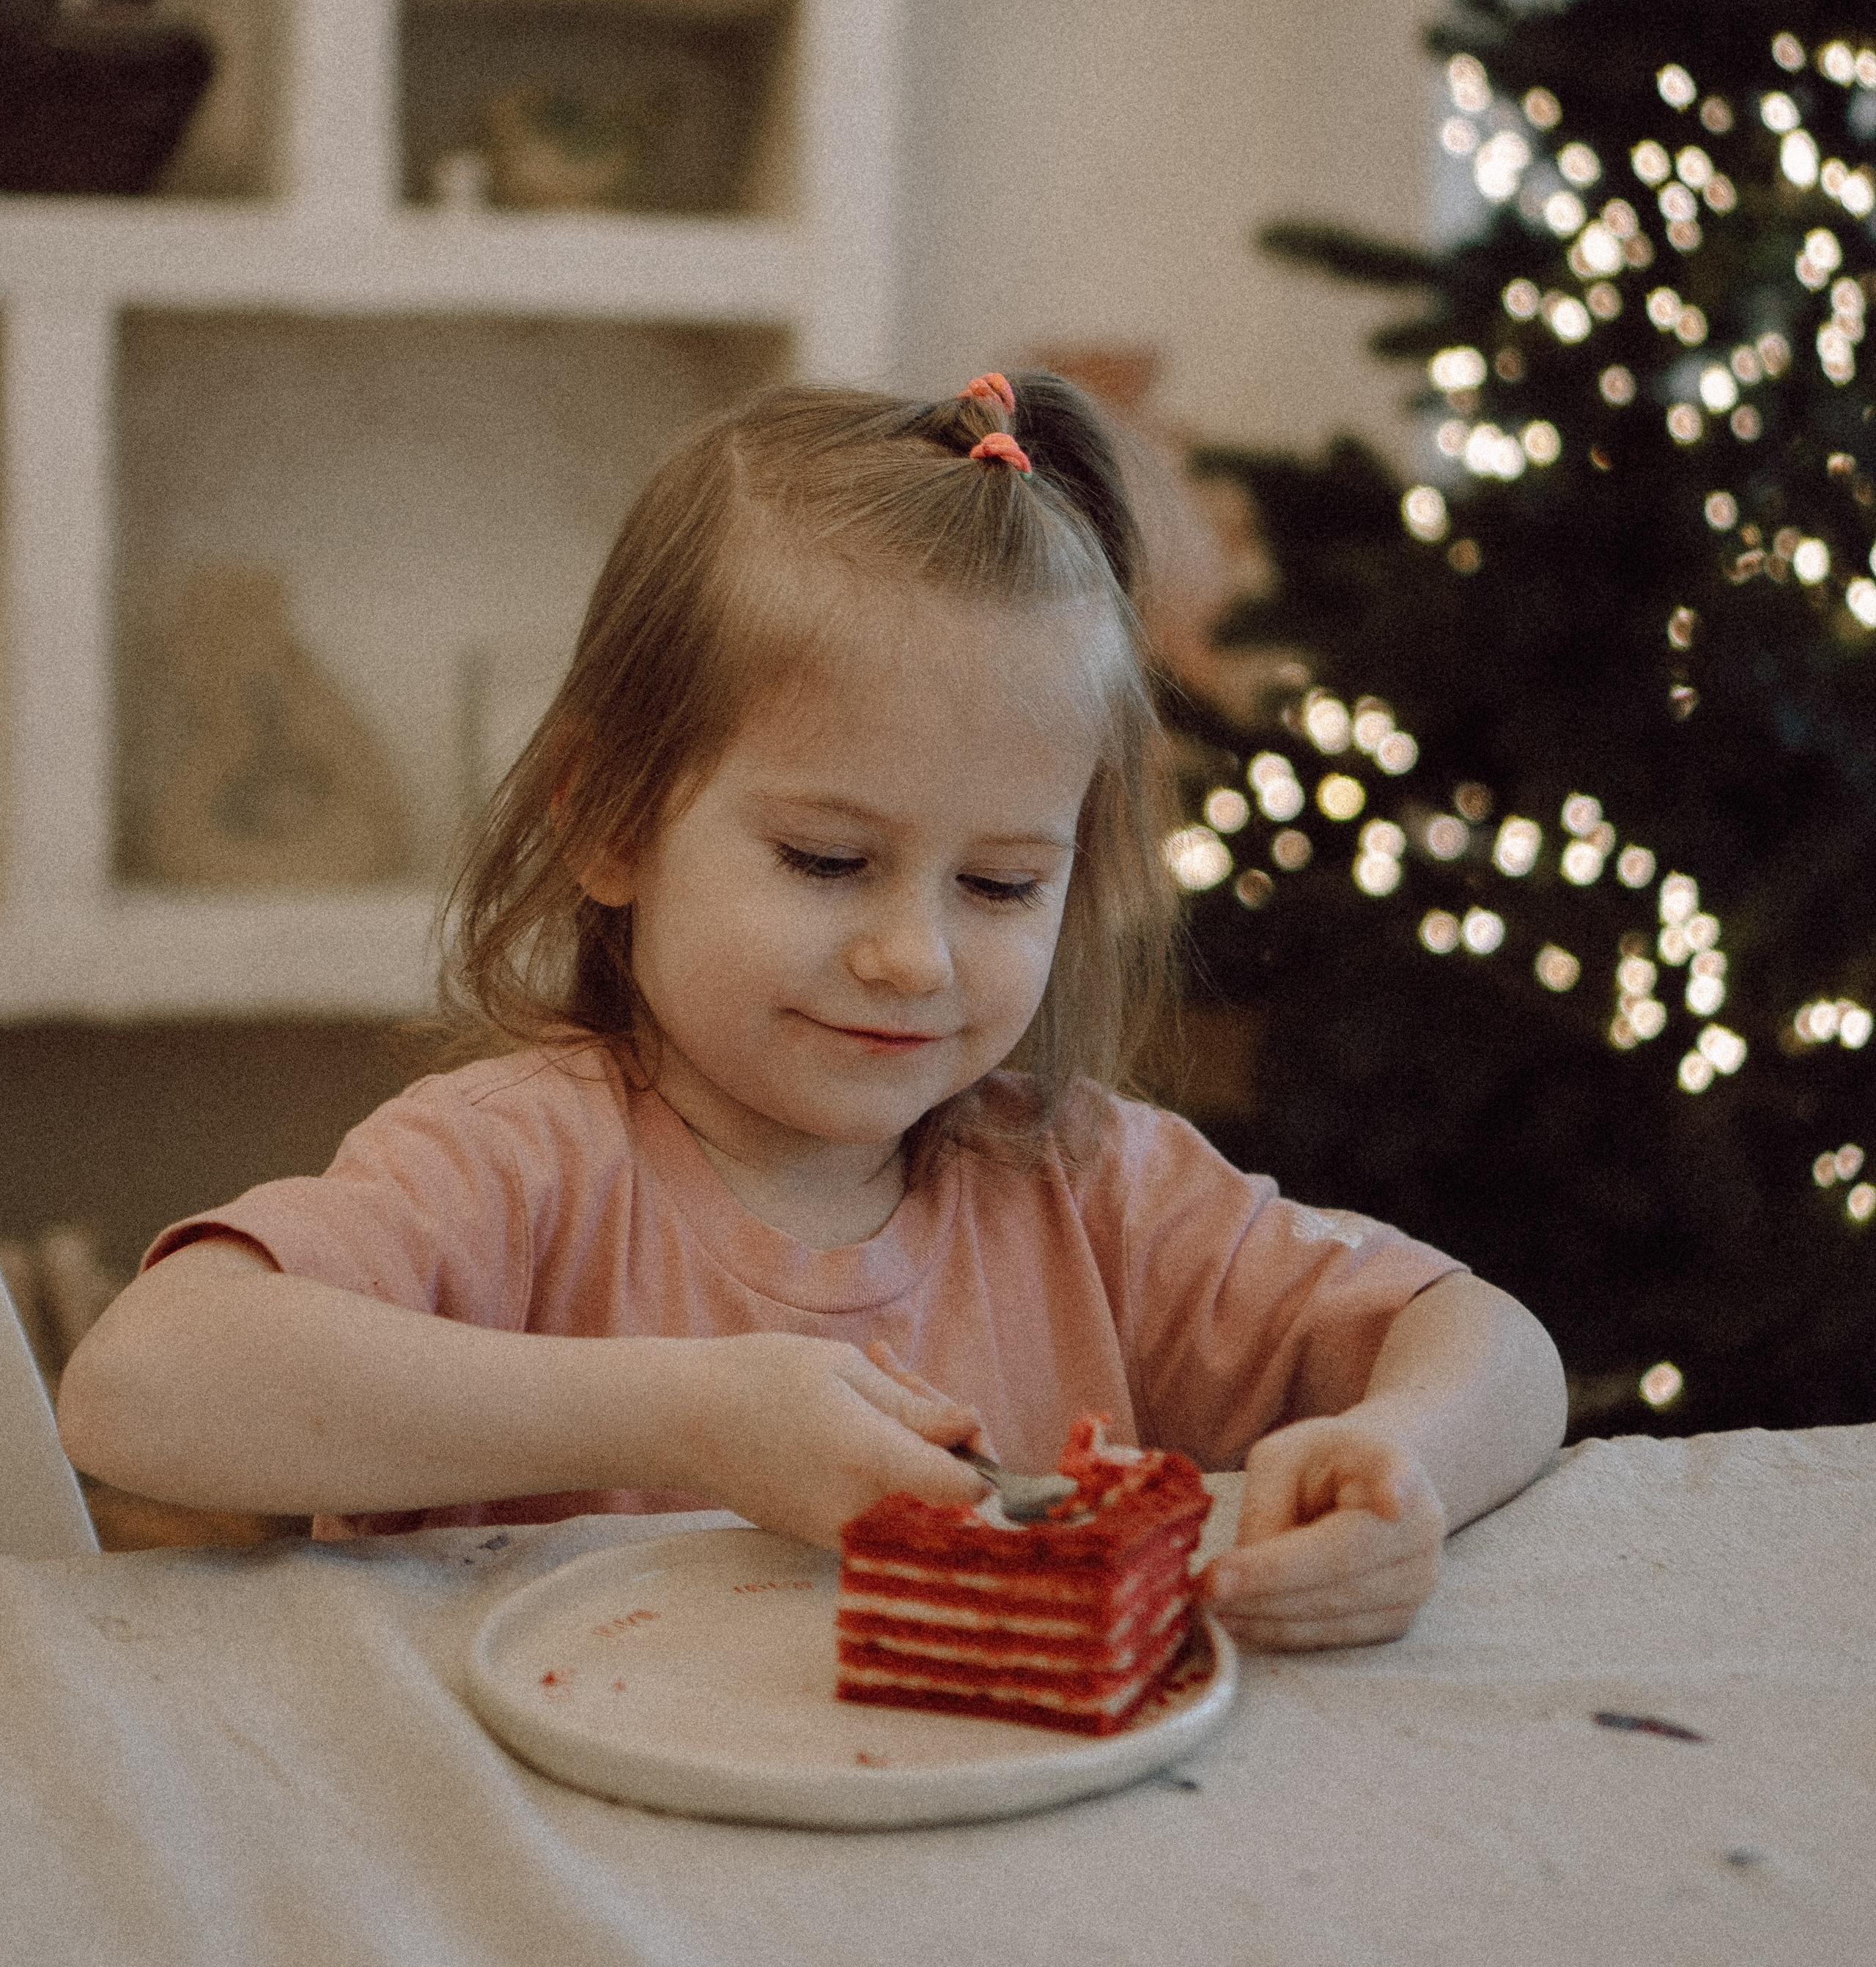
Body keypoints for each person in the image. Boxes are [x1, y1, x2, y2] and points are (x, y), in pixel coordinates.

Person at [61, 373, 1566, 1650]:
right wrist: (691, 1415)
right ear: (615, 824)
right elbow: (141, 1389)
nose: (911, 954)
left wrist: (1393, 1463)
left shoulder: (1086, 1190)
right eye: (828, 860)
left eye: (995, 886)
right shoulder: (515, 1163)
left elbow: (1488, 1339)